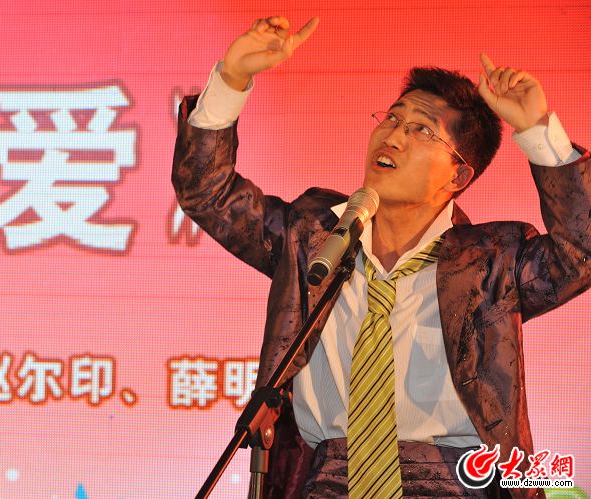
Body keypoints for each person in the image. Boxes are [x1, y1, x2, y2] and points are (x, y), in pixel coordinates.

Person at [172, 16, 591, 499]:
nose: (393, 135)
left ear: (458, 175)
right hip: (327, 481)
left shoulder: (492, 260)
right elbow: (208, 193)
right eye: (391, 118)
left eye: (422, 130)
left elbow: (580, 251)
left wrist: (538, 130)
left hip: (454, 484)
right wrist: (232, 78)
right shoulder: (314, 235)